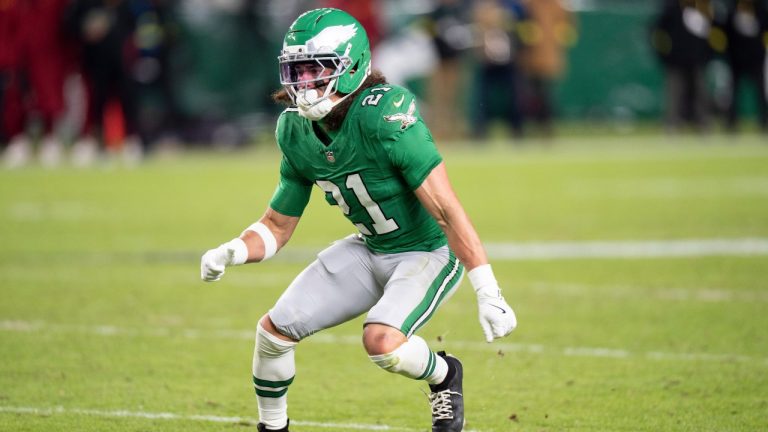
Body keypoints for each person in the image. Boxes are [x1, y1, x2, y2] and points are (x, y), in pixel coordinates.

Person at [199, 8, 517, 432]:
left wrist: (488, 289)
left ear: (350, 68)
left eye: (315, 71)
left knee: (381, 342)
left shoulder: (385, 116)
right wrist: (232, 250)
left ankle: (445, 374)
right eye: (297, 71)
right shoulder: (294, 130)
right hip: (371, 247)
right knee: (274, 333)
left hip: (426, 251)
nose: (303, 84)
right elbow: (277, 226)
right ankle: (272, 428)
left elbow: (445, 209)